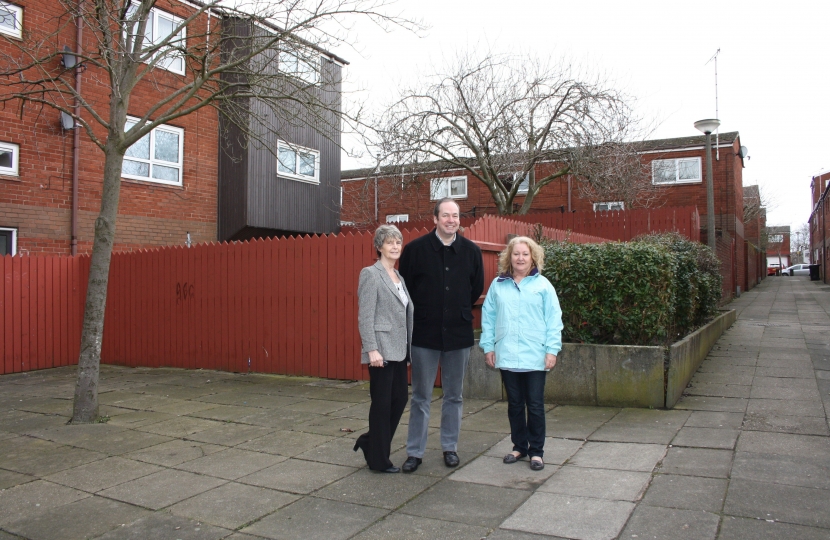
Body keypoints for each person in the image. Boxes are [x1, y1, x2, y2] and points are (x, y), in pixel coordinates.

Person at [398, 198, 484, 472]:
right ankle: (415, 452)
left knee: (454, 396)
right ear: (435, 219)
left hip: (458, 334)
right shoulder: (414, 251)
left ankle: (450, 447)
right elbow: (406, 291)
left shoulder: (471, 251)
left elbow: (475, 289)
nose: (451, 220)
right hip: (424, 334)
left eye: (455, 216)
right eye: (445, 215)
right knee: (421, 396)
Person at [480, 236, 563, 471]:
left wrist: (552, 350)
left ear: (533, 257)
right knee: (515, 404)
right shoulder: (498, 285)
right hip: (507, 355)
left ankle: (537, 452)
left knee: (535, 405)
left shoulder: (543, 285)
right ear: (509, 257)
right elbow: (489, 318)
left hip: (535, 356)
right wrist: (489, 347)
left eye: (525, 254)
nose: (520, 258)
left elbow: (553, 320)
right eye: (516, 254)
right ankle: (519, 447)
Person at [353, 224, 414, 473]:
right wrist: (371, 349)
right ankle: (378, 460)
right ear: (379, 247)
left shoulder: (400, 277)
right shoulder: (370, 274)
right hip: (381, 351)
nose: (395, 246)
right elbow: (365, 316)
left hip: (399, 350)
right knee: (381, 404)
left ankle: (370, 442)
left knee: (399, 400)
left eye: (398, 242)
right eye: (390, 242)